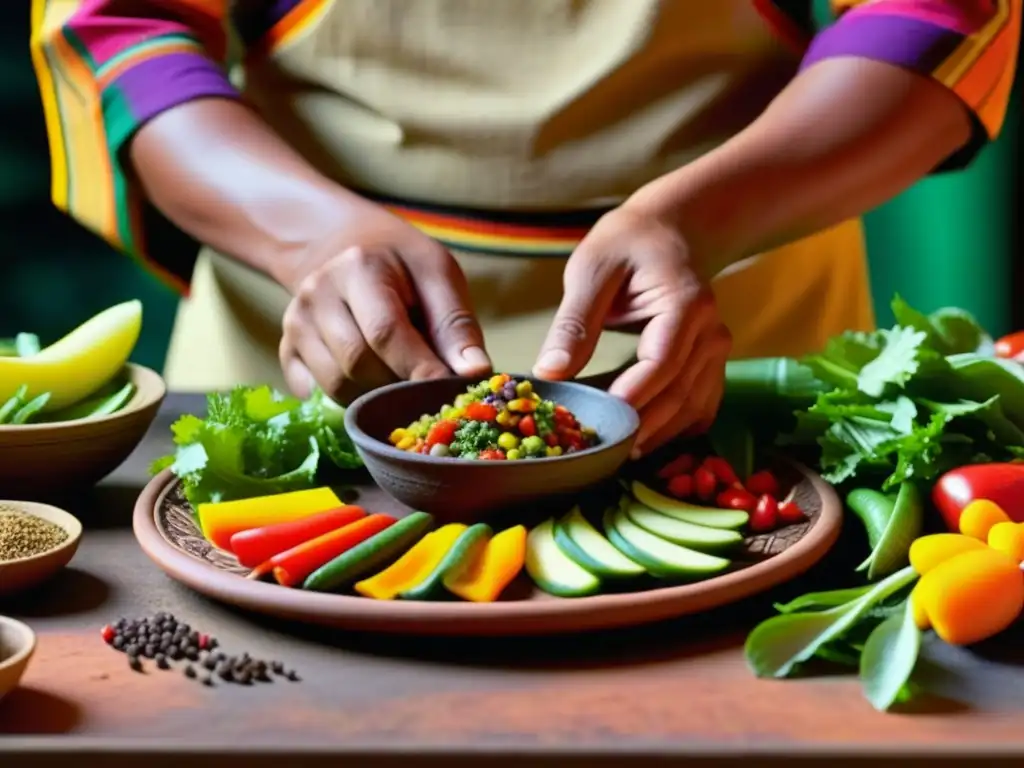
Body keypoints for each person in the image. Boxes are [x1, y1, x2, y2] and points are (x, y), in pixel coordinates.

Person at [30, 0, 1019, 456]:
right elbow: (118, 26)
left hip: (740, 374)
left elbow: (940, 10)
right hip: (298, 369)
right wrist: (311, 240)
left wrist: (693, 221)